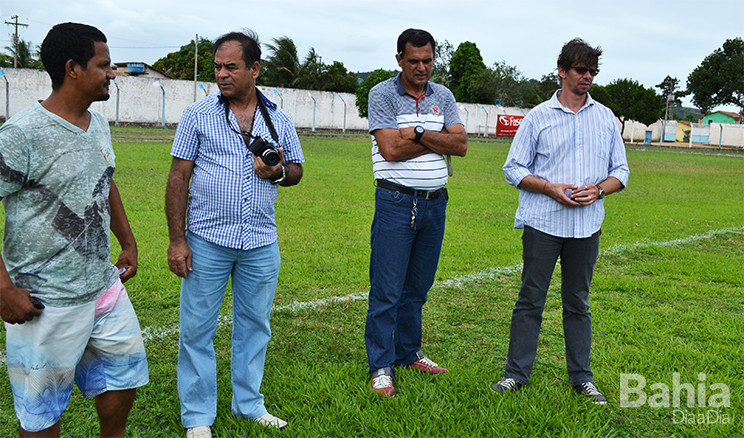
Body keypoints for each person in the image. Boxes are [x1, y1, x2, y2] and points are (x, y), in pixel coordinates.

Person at [0, 22, 149, 437]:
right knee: (42, 409)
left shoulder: (97, 124)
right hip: (46, 301)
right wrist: (3, 288)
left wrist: (128, 242)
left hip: (103, 286)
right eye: (104, 65)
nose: (113, 73)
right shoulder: (21, 134)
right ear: (73, 68)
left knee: (125, 375)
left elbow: (107, 182)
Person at [165, 29, 304, 438]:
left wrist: (277, 171)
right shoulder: (198, 115)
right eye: (217, 68)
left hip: (260, 241)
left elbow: (295, 169)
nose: (222, 75)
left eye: (232, 67)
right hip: (207, 239)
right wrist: (177, 240)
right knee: (197, 330)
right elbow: (178, 177)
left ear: (254, 69)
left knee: (255, 326)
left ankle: (249, 405)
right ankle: (197, 418)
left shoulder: (277, 118)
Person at [495, 38, 630, 404]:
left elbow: (621, 171)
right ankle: (515, 375)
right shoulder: (538, 117)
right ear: (562, 70)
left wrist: (600, 190)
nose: (587, 76)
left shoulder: (604, 117)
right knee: (530, 300)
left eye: (592, 71)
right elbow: (513, 169)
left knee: (578, 303)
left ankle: (582, 379)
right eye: (580, 70)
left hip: (587, 227)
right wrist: (549, 187)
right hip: (543, 223)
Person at [364, 28, 468, 397]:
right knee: (387, 290)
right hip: (395, 202)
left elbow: (461, 144)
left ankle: (408, 353)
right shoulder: (382, 94)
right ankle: (380, 365)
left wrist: (417, 131)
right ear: (399, 60)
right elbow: (389, 150)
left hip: (435, 202)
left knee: (417, 288)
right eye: (413, 61)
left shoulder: (444, 95)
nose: (421, 67)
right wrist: (436, 139)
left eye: (427, 60)